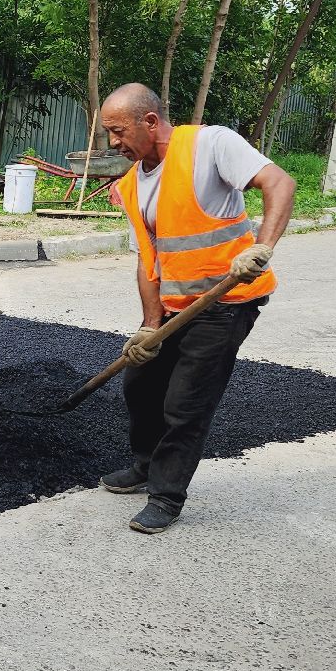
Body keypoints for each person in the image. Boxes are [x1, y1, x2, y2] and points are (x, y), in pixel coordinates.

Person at [98, 83, 295, 535]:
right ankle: (146, 464)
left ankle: (167, 495)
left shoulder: (211, 144)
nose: (114, 143)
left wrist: (262, 248)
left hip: (226, 301)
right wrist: (150, 326)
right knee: (140, 384)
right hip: (173, 307)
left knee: (186, 401)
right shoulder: (131, 185)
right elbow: (148, 262)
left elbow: (280, 182)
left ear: (150, 122)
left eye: (118, 131)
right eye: (109, 133)